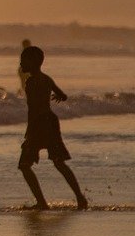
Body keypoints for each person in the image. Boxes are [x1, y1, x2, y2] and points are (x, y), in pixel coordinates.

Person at [18, 45, 87, 210]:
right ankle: (80, 198)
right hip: (51, 121)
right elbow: (63, 96)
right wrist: (55, 97)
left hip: (39, 123)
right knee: (59, 162)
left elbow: (33, 108)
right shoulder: (46, 79)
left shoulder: (31, 82)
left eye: (23, 60)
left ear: (33, 62)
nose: (20, 63)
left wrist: (29, 131)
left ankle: (41, 202)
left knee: (24, 165)